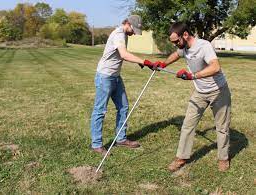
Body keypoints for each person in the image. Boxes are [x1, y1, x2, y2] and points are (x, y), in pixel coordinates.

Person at [155, 22, 231, 172]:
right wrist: (163, 64)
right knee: (188, 124)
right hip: (200, 93)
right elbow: (177, 54)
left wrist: (193, 76)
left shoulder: (204, 46)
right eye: (173, 43)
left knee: (222, 127)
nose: (176, 45)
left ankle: (223, 158)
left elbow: (216, 67)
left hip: (219, 91)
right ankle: (181, 157)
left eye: (176, 41)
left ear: (185, 34)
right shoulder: (184, 48)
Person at [90, 15, 156, 155]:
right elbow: (124, 54)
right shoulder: (118, 34)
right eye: (134, 29)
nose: (134, 33)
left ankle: (121, 139)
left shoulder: (124, 35)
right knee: (100, 110)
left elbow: (122, 54)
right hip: (105, 77)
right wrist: (144, 61)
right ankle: (96, 144)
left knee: (123, 107)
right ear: (128, 23)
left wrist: (139, 61)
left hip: (115, 77)